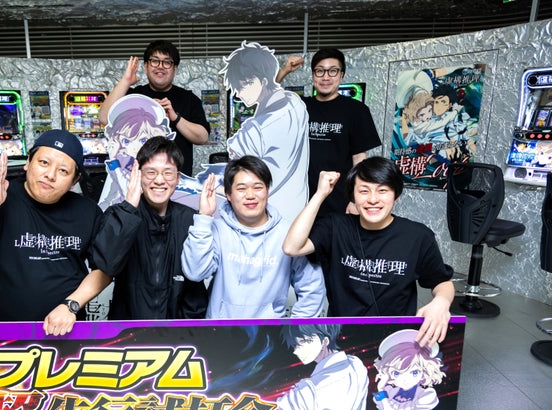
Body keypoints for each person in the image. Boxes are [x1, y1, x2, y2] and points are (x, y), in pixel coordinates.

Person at [0, 129, 112, 336]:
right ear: (28, 162)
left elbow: (104, 269)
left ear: (75, 180)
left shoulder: (88, 211)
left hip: (67, 328)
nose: (50, 175)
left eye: (63, 171)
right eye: (44, 162)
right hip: (7, 330)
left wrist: (71, 305)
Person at [282, 156, 455, 347]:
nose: (373, 200)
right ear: (353, 197)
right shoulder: (335, 227)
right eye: (364, 191)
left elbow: (442, 281)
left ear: (396, 195)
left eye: (382, 191)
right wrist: (320, 194)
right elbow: (292, 247)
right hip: (341, 338)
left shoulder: (418, 236)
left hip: (395, 340)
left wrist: (441, 302)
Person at [181, 155, 325, 319]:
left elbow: (312, 287)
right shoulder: (216, 229)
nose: (250, 195)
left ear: (267, 191)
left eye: (257, 187)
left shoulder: (288, 234)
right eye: (241, 189)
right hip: (219, 329)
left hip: (269, 331)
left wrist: (295, 328)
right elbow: (195, 272)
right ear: (228, 194)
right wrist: (204, 217)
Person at [96, 136, 208, 319]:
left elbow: (196, 286)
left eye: (168, 173)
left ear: (178, 178)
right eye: (151, 172)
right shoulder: (118, 215)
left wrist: (188, 328)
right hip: (129, 328)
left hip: (179, 330)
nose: (159, 180)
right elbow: (106, 265)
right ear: (138, 174)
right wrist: (129, 208)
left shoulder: (191, 219)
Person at [276, 48, 381, 216]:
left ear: (341, 75)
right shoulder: (300, 107)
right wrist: (284, 71)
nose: (325, 77)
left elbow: (359, 159)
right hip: (299, 199)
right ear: (313, 76)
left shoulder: (356, 110)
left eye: (333, 71)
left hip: (339, 201)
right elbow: (268, 99)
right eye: (319, 71)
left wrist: (356, 198)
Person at [221, 41, 309, 222]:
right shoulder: (295, 104)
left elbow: (239, 176)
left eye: (245, 84)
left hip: (264, 218)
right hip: (298, 213)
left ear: (263, 81)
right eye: (238, 87)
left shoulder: (253, 131)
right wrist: (282, 72)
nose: (240, 93)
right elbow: (270, 93)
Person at [99, 39, 210, 176]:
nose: (160, 66)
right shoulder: (133, 96)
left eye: (167, 62)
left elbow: (202, 137)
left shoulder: (189, 99)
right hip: (137, 180)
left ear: (175, 68)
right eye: (155, 61)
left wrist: (175, 118)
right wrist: (126, 80)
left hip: (177, 180)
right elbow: (104, 118)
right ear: (146, 66)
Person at [256, 323, 368, 410]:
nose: (296, 351)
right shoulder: (356, 364)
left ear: (325, 341)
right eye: (295, 345)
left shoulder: (309, 388)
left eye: (303, 342)